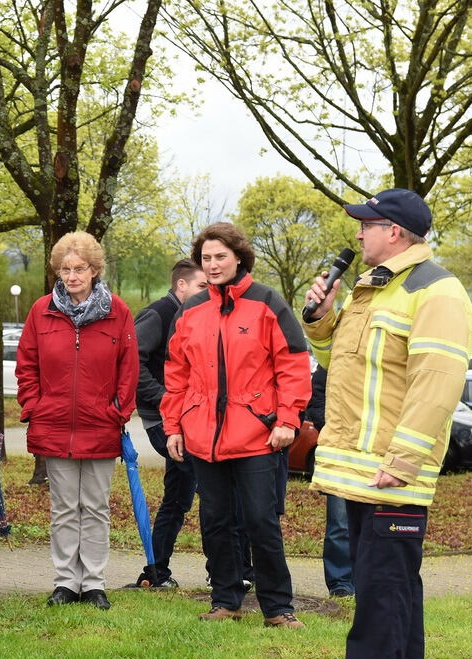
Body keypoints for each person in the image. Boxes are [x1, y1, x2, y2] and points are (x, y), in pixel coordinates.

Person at [303, 188, 472, 659]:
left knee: (379, 591)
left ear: (395, 232)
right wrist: (323, 323)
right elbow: (349, 370)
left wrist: (404, 460)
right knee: (395, 586)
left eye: (366, 224)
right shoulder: (373, 288)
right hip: (362, 470)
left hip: (392, 472)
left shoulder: (437, 291)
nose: (357, 234)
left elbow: (436, 384)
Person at [163, 222, 310, 628]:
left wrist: (287, 420)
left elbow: (294, 365)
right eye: (206, 258)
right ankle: (225, 600)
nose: (212, 265)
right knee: (215, 520)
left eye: (220, 257)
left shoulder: (266, 303)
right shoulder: (190, 310)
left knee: (261, 521)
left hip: (258, 435)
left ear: (239, 257)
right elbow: (177, 373)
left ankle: (278, 608)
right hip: (203, 436)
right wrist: (173, 425)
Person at [15, 232, 137, 611]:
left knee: (96, 507)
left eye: (79, 268)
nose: (72, 276)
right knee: (64, 508)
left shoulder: (119, 312)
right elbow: (27, 365)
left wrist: (117, 410)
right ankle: (66, 581)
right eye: (65, 269)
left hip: (100, 424)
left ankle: (95, 583)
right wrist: (35, 405)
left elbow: (129, 370)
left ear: (94, 270)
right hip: (54, 426)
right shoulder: (40, 311)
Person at [128, 258, 207, 590]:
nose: (209, 291)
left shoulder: (193, 316)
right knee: (208, 489)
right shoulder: (159, 314)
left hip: (188, 418)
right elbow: (132, 361)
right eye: (203, 285)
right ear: (182, 285)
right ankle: (228, 572)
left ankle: (156, 571)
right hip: (163, 420)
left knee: (178, 496)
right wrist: (165, 398)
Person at [307, 364, 353, 597]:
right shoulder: (334, 358)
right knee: (340, 523)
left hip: (376, 452)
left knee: (374, 523)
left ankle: (367, 580)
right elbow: (316, 401)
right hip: (341, 454)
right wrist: (335, 430)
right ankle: (340, 583)